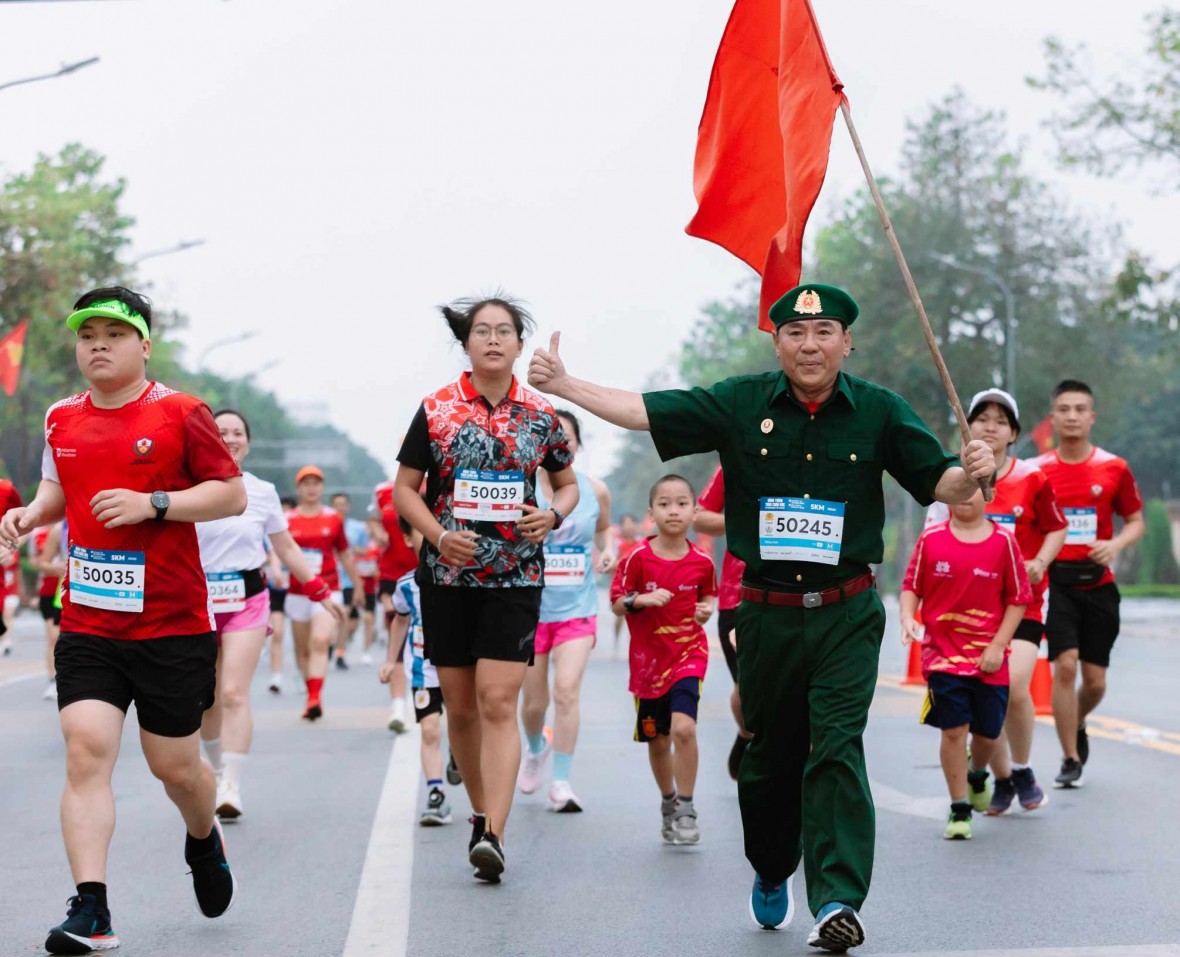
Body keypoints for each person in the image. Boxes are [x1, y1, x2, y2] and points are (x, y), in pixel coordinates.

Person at [527, 282, 995, 949]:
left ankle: (836, 898)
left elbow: (941, 482)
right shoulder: (740, 401)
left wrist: (972, 469)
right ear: (777, 342)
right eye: (796, 334)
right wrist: (568, 386)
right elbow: (642, 410)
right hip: (768, 614)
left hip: (848, 611)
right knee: (771, 755)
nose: (810, 345)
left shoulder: (882, 413)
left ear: (847, 341)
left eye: (825, 332)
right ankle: (772, 865)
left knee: (836, 746)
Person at [0, 286, 245, 955]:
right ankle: (92, 907)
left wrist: (154, 503)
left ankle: (203, 839)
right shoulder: (60, 419)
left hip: (172, 622)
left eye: (114, 332)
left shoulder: (181, 412)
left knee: (176, 767)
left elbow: (230, 493)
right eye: (87, 335)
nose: (98, 345)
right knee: (84, 749)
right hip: (90, 619)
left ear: (144, 344)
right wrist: (28, 517)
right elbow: (59, 493)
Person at [394, 294, 578, 884]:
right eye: (482, 332)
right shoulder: (436, 410)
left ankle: (494, 832)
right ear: (467, 344)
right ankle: (478, 813)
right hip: (448, 577)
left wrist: (551, 515)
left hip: (515, 576)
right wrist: (437, 536)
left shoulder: (541, 414)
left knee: (499, 701)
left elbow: (566, 485)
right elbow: (405, 491)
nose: (494, 340)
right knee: (464, 708)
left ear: (520, 346)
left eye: (505, 332)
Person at [197, 410, 344, 819]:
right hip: (198, 600)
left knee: (233, 693)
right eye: (220, 431)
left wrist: (318, 589)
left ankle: (230, 783)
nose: (229, 438)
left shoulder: (261, 491)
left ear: (248, 441)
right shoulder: (185, 485)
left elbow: (286, 548)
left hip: (246, 597)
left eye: (237, 433)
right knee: (206, 698)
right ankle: (215, 769)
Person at [926, 389, 1067, 813]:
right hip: (964, 618)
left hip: (1019, 605)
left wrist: (1041, 560)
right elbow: (932, 543)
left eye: (1000, 420)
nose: (990, 426)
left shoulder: (1031, 478)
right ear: (966, 427)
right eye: (981, 418)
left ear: (1014, 432)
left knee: (1014, 685)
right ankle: (997, 775)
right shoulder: (951, 478)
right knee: (980, 710)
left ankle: (1019, 767)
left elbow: (1056, 527)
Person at [1031, 380, 1144, 788]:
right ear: (1053, 417)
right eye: (1064, 409)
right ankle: (1069, 757)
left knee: (1094, 681)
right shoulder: (1038, 471)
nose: (1073, 416)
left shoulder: (1114, 468)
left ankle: (1076, 721)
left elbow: (1135, 521)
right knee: (1064, 666)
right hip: (1056, 585)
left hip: (1099, 585)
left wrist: (1114, 544)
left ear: (1091, 417)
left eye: (1080, 409)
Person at [901, 489, 1033, 839]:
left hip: (990, 658)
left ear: (988, 496)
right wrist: (906, 617)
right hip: (941, 656)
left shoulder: (1004, 542)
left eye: (973, 489)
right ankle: (959, 808)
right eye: (958, 488)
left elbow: (1018, 599)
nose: (964, 497)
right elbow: (911, 586)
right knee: (954, 730)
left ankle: (978, 772)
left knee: (988, 733)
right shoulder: (931, 539)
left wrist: (998, 645)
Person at [518, 409, 616, 813]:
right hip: (529, 608)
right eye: (553, 436)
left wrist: (608, 551)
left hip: (577, 608)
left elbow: (603, 529)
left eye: (568, 436)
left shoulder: (595, 491)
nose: (562, 442)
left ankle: (561, 782)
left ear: (576, 444)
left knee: (567, 692)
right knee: (534, 702)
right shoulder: (524, 489)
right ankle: (537, 746)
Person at [611, 474, 715, 845]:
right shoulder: (636, 557)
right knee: (659, 740)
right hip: (647, 666)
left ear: (694, 511)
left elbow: (709, 597)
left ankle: (687, 807)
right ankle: (668, 802)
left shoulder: (703, 561)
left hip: (689, 654)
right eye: (665, 504)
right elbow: (617, 602)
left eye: (682, 503)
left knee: (684, 729)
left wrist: (706, 611)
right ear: (651, 513)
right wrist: (641, 600)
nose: (674, 510)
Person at [381, 517, 454, 825]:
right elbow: (400, 619)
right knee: (430, 729)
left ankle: (458, 760)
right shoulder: (406, 586)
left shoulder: (458, 579)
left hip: (458, 667)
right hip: (424, 670)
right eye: (421, 532)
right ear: (408, 540)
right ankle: (436, 795)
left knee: (463, 725)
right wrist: (390, 659)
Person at [285, 466, 363, 720]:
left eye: (315, 483)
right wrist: (275, 570)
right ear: (299, 488)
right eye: (305, 483)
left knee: (319, 641)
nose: (311, 487)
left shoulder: (333, 519)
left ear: (322, 488)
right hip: (297, 592)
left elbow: (345, 554)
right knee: (302, 650)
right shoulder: (288, 520)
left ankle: (315, 698)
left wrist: (358, 584)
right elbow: (279, 551)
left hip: (329, 591)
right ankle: (311, 694)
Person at [694, 465, 753, 780]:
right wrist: (749, 521)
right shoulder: (735, 459)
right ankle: (746, 735)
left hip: (802, 592)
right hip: (739, 596)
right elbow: (700, 516)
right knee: (748, 691)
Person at [369, 479, 420, 733]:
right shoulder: (382, 491)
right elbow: (374, 519)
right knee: (397, 634)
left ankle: (429, 699)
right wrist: (377, 532)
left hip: (427, 570)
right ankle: (398, 706)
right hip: (392, 573)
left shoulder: (436, 483)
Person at [330, 491, 370, 670]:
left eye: (343, 504)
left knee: (349, 621)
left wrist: (355, 550)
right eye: (336, 504)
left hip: (347, 579)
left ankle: (339, 647)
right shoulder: (327, 524)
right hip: (329, 578)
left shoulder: (357, 528)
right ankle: (338, 652)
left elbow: (364, 550)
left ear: (348, 506)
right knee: (341, 617)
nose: (340, 507)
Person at [263, 496, 297, 694]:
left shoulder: (299, 529)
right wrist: (273, 566)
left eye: (287, 509)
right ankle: (276, 675)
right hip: (275, 588)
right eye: (281, 509)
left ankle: (303, 673)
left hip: (297, 589)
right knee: (278, 632)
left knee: (303, 636)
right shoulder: (266, 531)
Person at [31, 522, 67, 699]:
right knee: (53, 637)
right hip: (52, 592)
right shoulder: (56, 530)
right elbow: (39, 561)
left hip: (79, 591)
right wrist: (54, 567)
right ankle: (53, 680)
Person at [611, 513, 643, 653]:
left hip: (638, 584)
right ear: (621, 526)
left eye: (631, 523)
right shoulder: (616, 543)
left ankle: (637, 646)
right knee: (621, 615)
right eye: (625, 524)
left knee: (638, 617)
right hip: (621, 584)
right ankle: (616, 642)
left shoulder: (641, 542)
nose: (628, 527)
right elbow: (611, 562)